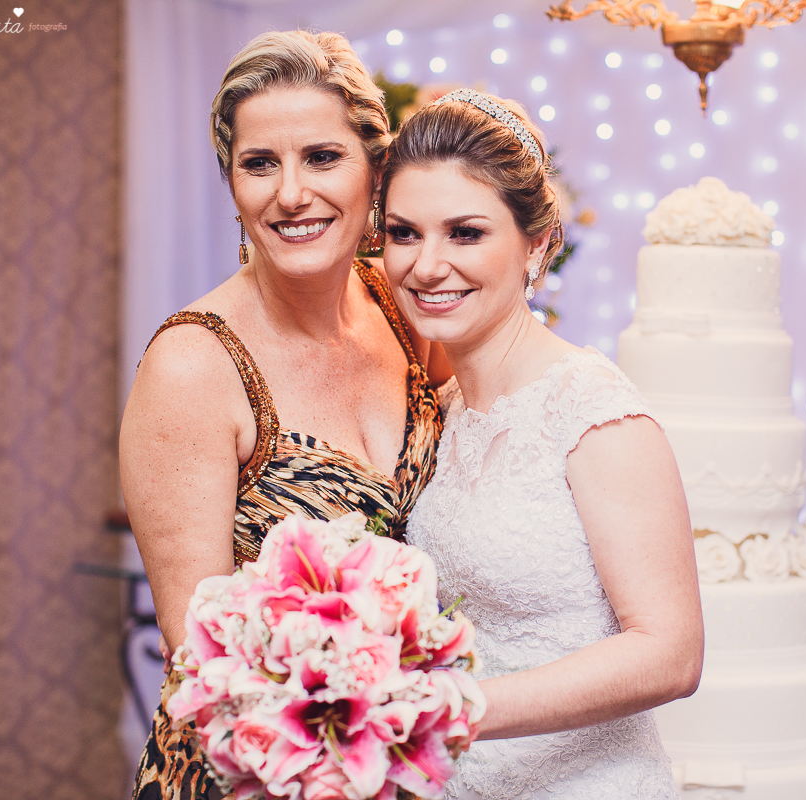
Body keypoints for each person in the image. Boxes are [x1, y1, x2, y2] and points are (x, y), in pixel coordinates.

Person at [119, 31, 444, 800]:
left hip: (398, 760)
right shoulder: (194, 364)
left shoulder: (410, 311)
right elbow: (199, 653)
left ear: (375, 171)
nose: (291, 193)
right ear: (231, 183)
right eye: (259, 163)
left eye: (322, 157)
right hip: (252, 769)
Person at [380, 89, 705, 798]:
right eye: (404, 233)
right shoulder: (439, 411)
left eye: (465, 233)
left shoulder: (593, 412)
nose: (426, 266)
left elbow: (671, 654)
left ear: (538, 245)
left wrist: (449, 711)